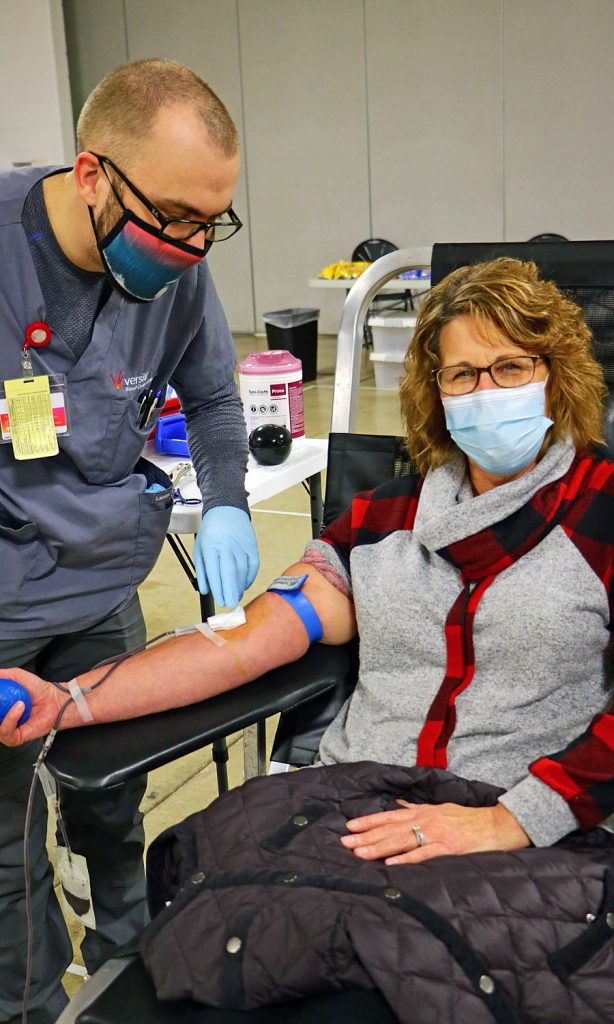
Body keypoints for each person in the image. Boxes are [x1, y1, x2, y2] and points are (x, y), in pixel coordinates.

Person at [2, 259, 614, 990]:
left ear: (558, 376)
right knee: (210, 926)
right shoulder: (383, 520)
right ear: (435, 393)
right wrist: (69, 699)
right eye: (463, 375)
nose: (487, 391)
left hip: (525, 829)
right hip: (352, 810)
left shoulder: (602, 513)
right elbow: (246, 644)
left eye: (511, 366)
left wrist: (513, 819)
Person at [0, 58, 259, 1024]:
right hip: (7, 600)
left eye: (212, 223)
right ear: (94, 173)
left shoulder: (173, 266)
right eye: (178, 221)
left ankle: (123, 955)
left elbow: (217, 399)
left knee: (111, 793)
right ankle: (27, 1003)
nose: (194, 248)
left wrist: (227, 500)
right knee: (8, 834)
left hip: (105, 581)